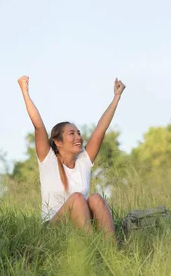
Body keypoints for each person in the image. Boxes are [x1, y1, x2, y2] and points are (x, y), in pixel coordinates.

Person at [17, 75, 126, 237]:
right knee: (77, 198)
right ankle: (90, 250)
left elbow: (100, 130)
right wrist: (25, 92)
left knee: (96, 198)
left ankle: (111, 251)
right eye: (72, 133)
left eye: (79, 133)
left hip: (80, 224)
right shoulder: (48, 160)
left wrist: (116, 97)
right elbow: (38, 125)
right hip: (53, 229)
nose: (78, 137)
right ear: (58, 141)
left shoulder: (83, 161)